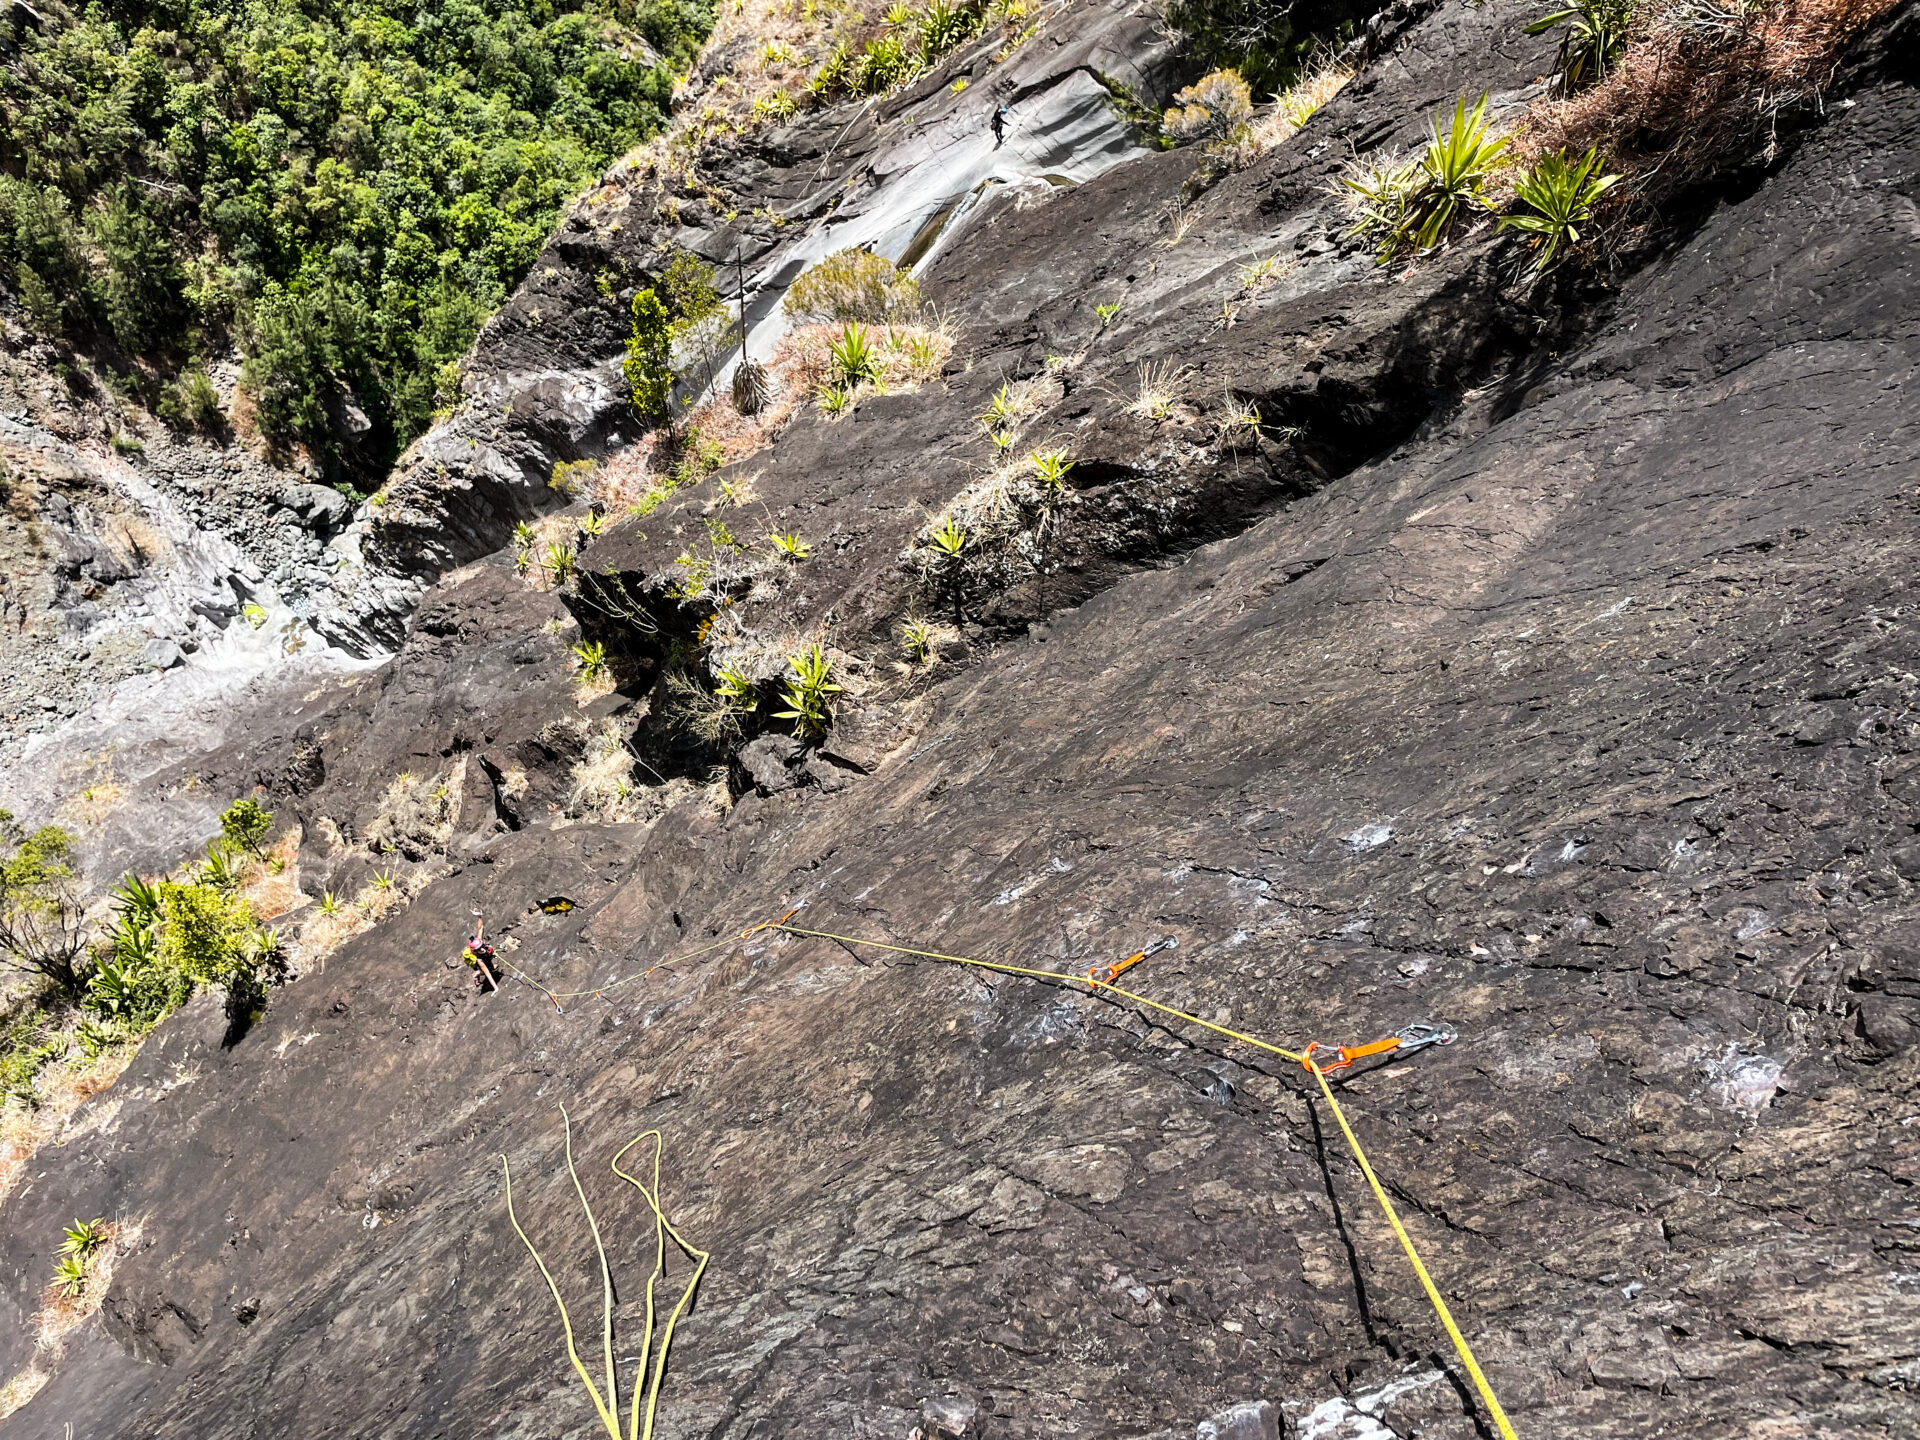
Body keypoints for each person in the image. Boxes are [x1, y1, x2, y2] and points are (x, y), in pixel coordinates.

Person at [463, 914, 498, 992]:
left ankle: (481, 971)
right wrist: (496, 988)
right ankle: (477, 974)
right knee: (491, 969)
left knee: (494, 966)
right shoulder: (479, 960)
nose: (482, 949)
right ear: (475, 951)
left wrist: (479, 917)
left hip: (485, 958)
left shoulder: (479, 941)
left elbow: (480, 928)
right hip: (480, 963)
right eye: (479, 949)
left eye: (482, 946)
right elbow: (488, 974)